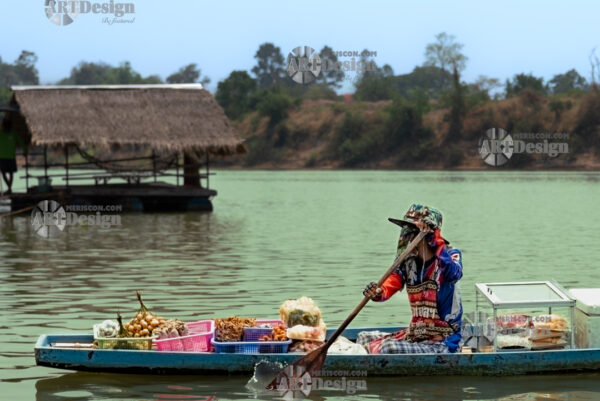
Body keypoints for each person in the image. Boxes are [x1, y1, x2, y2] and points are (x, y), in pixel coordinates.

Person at [357, 204, 463, 354]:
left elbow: (454, 274)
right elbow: (391, 283)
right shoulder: (408, 262)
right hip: (417, 335)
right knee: (363, 338)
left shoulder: (450, 255)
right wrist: (377, 292)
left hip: (444, 341)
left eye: (413, 231)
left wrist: (435, 241)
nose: (407, 236)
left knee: (389, 348)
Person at [0, 117, 25, 194]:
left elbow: (21, 142)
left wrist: (25, 151)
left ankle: (9, 188)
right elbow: (21, 142)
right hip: (2, 157)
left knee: (10, 173)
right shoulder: (0, 133)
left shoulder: (13, 133)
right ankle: (9, 188)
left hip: (11, 156)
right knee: (4, 173)